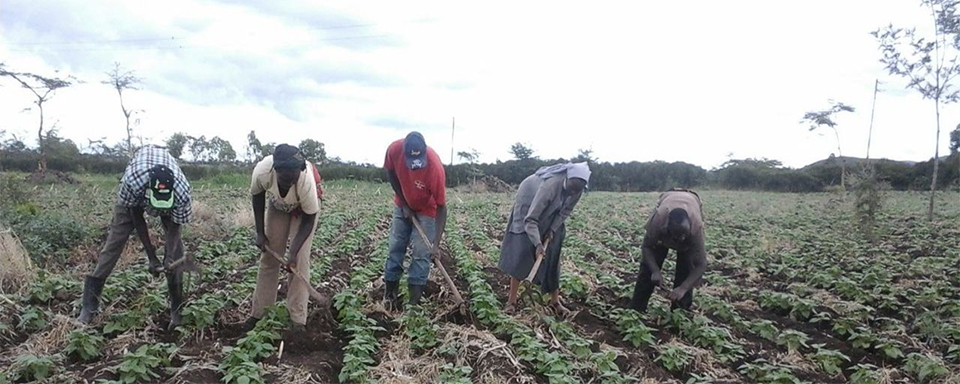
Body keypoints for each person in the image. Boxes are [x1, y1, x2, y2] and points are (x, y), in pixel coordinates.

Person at [78, 145, 192, 332]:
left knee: (177, 251)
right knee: (115, 241)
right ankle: (89, 307)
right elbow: (136, 218)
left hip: (170, 194)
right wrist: (152, 256)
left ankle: (176, 311)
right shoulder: (133, 183)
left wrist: (169, 257)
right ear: (148, 192)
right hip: (134, 197)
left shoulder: (182, 193)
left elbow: (174, 227)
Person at [498, 162, 590, 316]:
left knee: (553, 254)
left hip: (553, 213)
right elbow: (531, 219)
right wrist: (538, 244)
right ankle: (511, 301)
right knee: (523, 250)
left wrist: (552, 229)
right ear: (567, 178)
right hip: (529, 204)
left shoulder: (577, 190)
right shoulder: (550, 186)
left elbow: (565, 212)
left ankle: (555, 301)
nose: (573, 192)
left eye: (577, 190)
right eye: (571, 188)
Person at [247, 144, 321, 333]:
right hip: (278, 206)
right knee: (269, 257)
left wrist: (293, 252)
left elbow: (309, 218)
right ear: (276, 170)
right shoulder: (263, 171)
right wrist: (259, 232)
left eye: (293, 178)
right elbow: (257, 197)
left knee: (300, 262)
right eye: (285, 179)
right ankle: (259, 314)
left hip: (304, 213)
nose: (289, 183)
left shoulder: (305, 181)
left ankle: (298, 319)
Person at [382, 132, 447, 310]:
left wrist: (435, 245)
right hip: (403, 204)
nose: (416, 169)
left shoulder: (434, 167)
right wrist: (403, 203)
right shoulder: (394, 150)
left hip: (427, 210)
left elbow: (442, 207)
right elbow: (390, 173)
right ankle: (390, 298)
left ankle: (413, 305)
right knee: (396, 247)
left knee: (421, 253)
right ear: (405, 152)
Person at [630, 188, 707, 312]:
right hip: (668, 200)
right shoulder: (659, 220)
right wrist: (655, 271)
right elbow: (647, 247)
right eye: (678, 235)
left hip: (692, 201)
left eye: (684, 235)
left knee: (687, 267)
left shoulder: (696, 229)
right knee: (648, 269)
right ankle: (637, 309)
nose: (681, 239)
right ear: (668, 228)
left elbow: (702, 264)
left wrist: (683, 288)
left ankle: (680, 313)